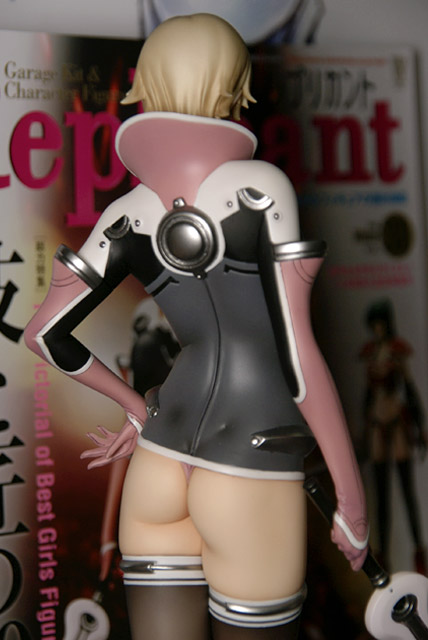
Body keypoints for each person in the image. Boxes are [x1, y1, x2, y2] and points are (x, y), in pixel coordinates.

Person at [25, 13, 368, 639]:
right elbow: (296, 356)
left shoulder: (123, 213)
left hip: (157, 463)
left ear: (147, 86)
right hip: (250, 463)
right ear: (233, 87)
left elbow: (43, 333)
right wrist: (352, 500)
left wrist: (136, 408)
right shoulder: (261, 188)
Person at [360, 299, 426, 573]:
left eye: (381, 323)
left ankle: (418, 549)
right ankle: (384, 554)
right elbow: (367, 394)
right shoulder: (370, 353)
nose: (378, 328)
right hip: (377, 421)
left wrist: (420, 426)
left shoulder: (397, 352)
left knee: (407, 490)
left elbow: (410, 389)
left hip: (396, 421)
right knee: (381, 493)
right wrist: (364, 428)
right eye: (375, 324)